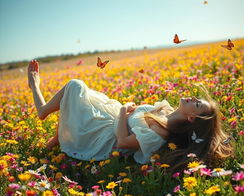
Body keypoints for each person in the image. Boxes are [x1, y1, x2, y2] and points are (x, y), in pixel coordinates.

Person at [28, 60, 233, 169]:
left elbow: (123, 143)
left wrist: (124, 112)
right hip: (112, 116)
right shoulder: (166, 110)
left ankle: (42, 106)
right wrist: (124, 111)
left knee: (75, 87)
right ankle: (57, 138)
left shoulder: (161, 133)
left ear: (191, 118)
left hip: (103, 136)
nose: (194, 99)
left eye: (197, 105)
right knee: (78, 93)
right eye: (198, 99)